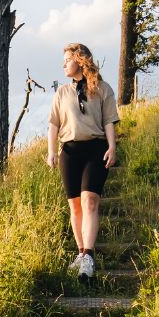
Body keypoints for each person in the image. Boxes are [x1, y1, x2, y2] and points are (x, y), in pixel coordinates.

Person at [45, 43, 119, 277]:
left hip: (95, 149)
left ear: (80, 60)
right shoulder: (62, 93)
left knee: (90, 201)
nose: (64, 64)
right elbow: (53, 125)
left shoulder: (103, 89)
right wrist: (51, 152)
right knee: (75, 205)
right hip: (69, 152)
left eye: (67, 59)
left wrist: (112, 147)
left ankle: (88, 256)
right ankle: (80, 253)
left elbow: (109, 121)